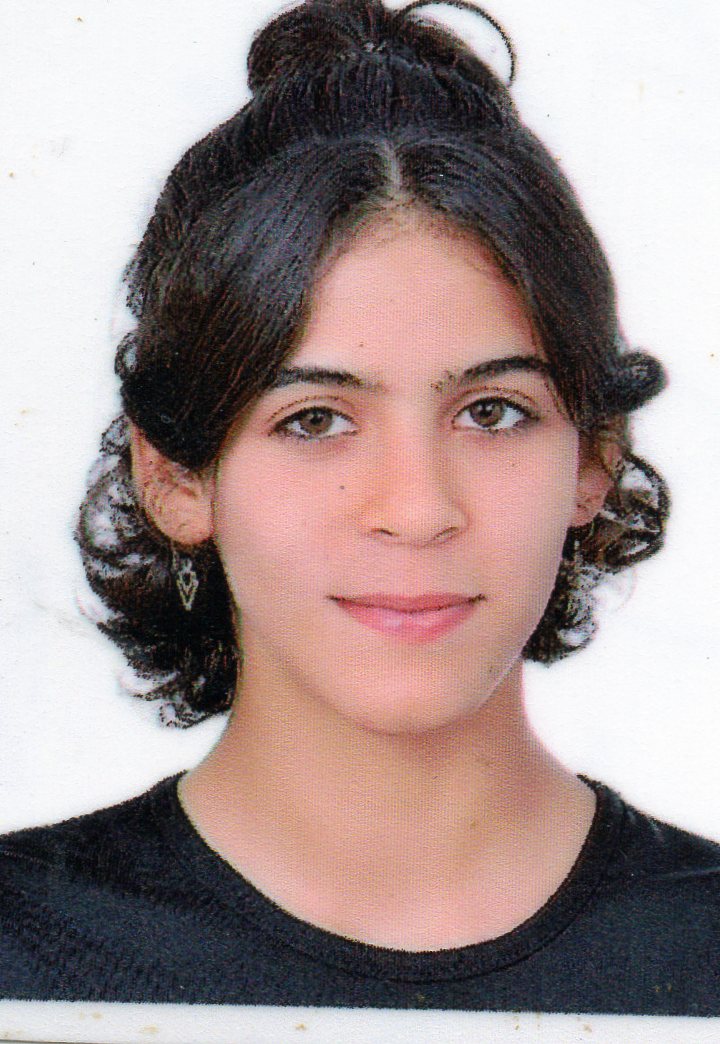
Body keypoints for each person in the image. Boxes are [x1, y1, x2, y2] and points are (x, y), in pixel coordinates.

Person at [0, 0, 717, 1015]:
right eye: (315, 421)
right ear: (177, 477)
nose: (416, 510)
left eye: (493, 412)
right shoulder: (26, 954)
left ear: (593, 461)